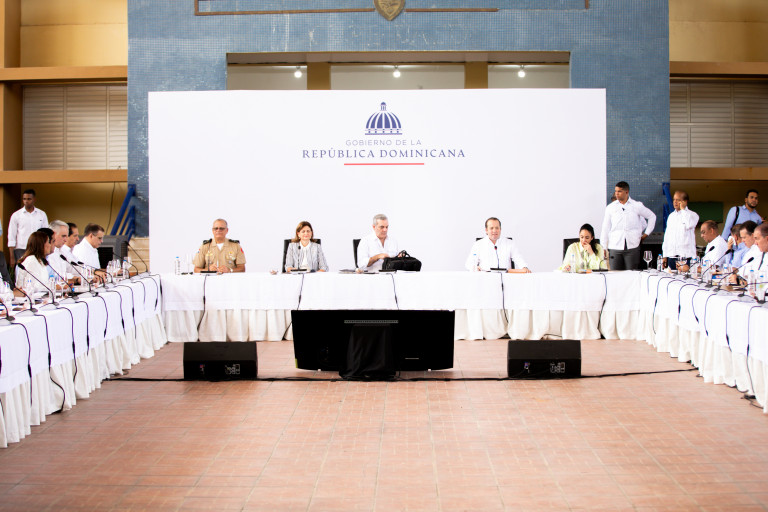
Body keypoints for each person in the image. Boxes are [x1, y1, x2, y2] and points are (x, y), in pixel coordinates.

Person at [600, 181, 656, 270]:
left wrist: (646, 234)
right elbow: (605, 227)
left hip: (633, 246)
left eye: (619, 191)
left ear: (626, 192)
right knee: (614, 275)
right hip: (614, 246)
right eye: (616, 191)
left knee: (632, 274)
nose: (616, 194)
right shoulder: (610, 207)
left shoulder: (636, 205)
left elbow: (652, 216)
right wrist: (603, 246)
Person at [465, 217, 530, 273]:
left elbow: (518, 258)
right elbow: (469, 264)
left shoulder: (509, 243)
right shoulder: (478, 244)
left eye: (497, 228)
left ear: (500, 229)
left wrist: (524, 267)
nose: (494, 230)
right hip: (485, 278)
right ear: (486, 230)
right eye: (491, 228)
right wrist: (475, 267)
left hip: (506, 278)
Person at [8, 189, 48, 267]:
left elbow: (45, 235)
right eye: (24, 199)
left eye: (29, 199)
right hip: (21, 250)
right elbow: (11, 236)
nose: (26, 201)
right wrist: (12, 257)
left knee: (37, 270)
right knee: (22, 271)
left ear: (34, 199)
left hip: (37, 249)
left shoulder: (42, 214)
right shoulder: (16, 215)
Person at [661, 190, 699, 271]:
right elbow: (667, 237)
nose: (675, 202)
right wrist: (665, 255)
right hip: (672, 256)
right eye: (674, 199)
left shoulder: (693, 215)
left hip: (686, 256)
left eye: (678, 200)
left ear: (685, 202)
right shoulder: (671, 216)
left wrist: (683, 210)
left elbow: (688, 225)